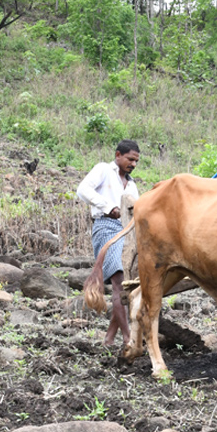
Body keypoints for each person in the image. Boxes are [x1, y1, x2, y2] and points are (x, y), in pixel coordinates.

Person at [76, 140, 140, 349]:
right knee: (119, 281)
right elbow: (83, 189)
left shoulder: (132, 185)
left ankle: (109, 339)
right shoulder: (103, 170)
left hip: (127, 232)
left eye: (136, 161)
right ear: (118, 155)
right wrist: (108, 206)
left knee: (127, 283)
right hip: (105, 227)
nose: (133, 164)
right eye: (130, 159)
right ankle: (127, 338)